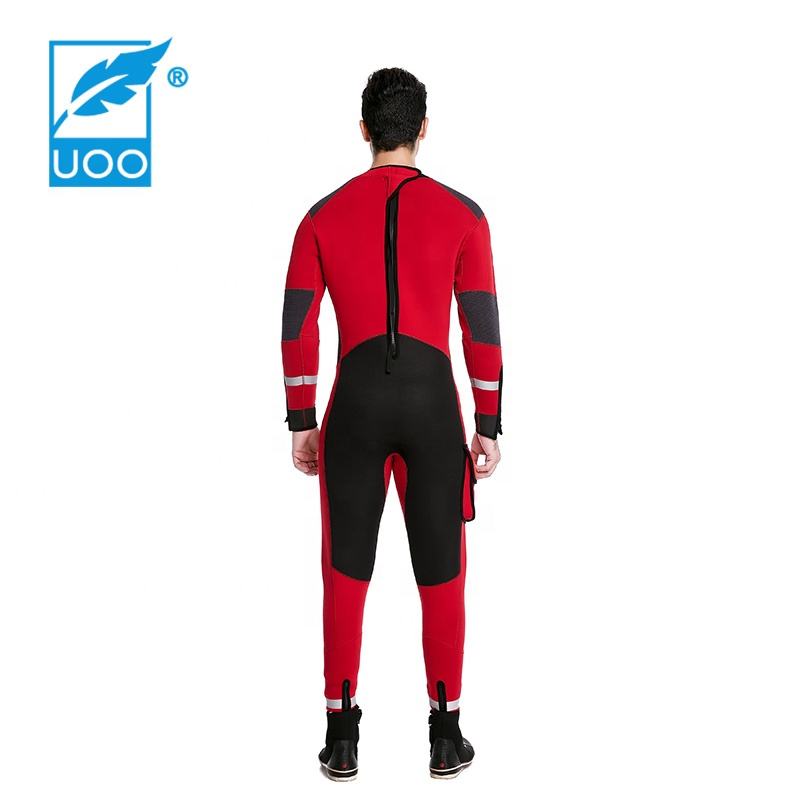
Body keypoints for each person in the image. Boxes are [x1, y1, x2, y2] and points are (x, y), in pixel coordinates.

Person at [280, 67, 503, 781]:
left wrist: (302, 419)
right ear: (423, 129)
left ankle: (341, 738)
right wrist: (489, 422)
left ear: (364, 130)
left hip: (354, 411)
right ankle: (446, 735)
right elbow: (481, 328)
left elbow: (297, 323)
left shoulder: (320, 216)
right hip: (434, 411)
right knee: (443, 574)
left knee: (344, 572)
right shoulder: (465, 216)